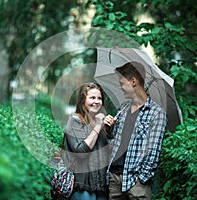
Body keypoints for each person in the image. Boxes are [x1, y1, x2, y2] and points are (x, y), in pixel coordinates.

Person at [103, 62, 167, 200]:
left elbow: (153, 152)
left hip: (137, 184)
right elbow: (113, 141)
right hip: (115, 179)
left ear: (133, 82)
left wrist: (141, 179)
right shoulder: (123, 109)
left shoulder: (156, 113)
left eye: (121, 83)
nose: (119, 87)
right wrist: (109, 129)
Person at [63, 82, 110, 200]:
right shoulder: (75, 122)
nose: (97, 101)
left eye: (99, 98)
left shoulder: (101, 122)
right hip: (83, 186)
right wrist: (98, 126)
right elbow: (80, 153)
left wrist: (110, 128)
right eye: (92, 98)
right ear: (83, 100)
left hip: (102, 186)